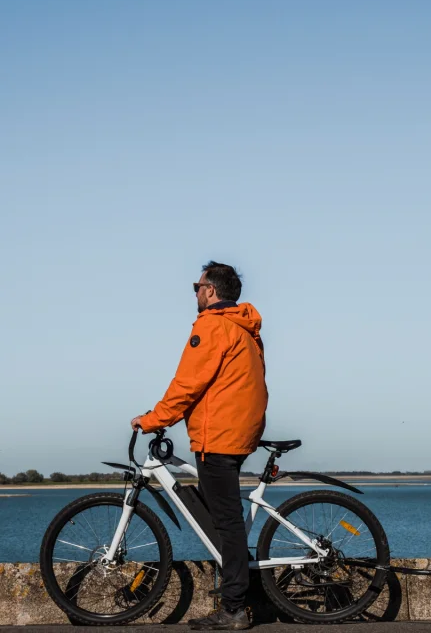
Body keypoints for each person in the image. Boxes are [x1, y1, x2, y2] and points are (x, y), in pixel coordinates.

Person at [131, 261, 268, 631]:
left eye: (197, 285)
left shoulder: (212, 326)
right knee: (225, 517)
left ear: (210, 291)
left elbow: (188, 384)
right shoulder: (245, 328)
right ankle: (238, 593)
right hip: (237, 430)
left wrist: (153, 419)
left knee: (228, 524)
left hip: (219, 435)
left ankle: (235, 608)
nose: (194, 292)